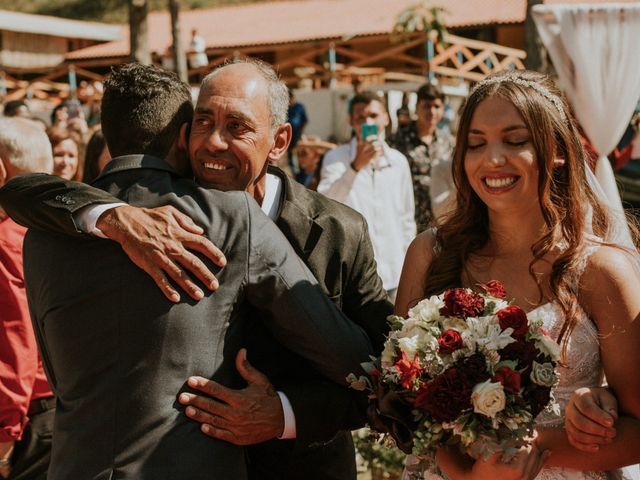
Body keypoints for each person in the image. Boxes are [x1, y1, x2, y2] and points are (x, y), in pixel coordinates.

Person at [0, 62, 375, 480]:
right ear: (183, 135)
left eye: (236, 126)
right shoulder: (219, 216)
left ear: (279, 140)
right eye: (203, 122)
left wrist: (284, 413)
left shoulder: (44, 238)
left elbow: (376, 371)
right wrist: (112, 216)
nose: (214, 142)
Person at [395, 69, 640, 479]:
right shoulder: (430, 254)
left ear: (558, 150)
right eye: (476, 144)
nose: (492, 159)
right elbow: (399, 404)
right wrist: (468, 475)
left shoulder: (601, 271)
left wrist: (548, 440)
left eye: (515, 141)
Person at [318, 91, 416, 299]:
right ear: (351, 122)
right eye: (360, 118)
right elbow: (325, 205)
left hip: (395, 271)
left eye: (373, 116)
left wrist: (411, 266)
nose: (367, 122)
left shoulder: (398, 162)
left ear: (386, 119)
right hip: (355, 273)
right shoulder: (336, 159)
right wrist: (355, 167)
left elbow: (407, 218)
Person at [0, 118, 55, 480]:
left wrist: (4, 443)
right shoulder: (58, 229)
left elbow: (15, 341)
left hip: (25, 418)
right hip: (62, 406)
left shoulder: (6, 238)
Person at [389, 83, 455, 230]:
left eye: (437, 106)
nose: (432, 111)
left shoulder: (447, 142)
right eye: (426, 106)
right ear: (417, 107)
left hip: (441, 221)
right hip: (408, 220)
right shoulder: (398, 140)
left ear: (443, 110)